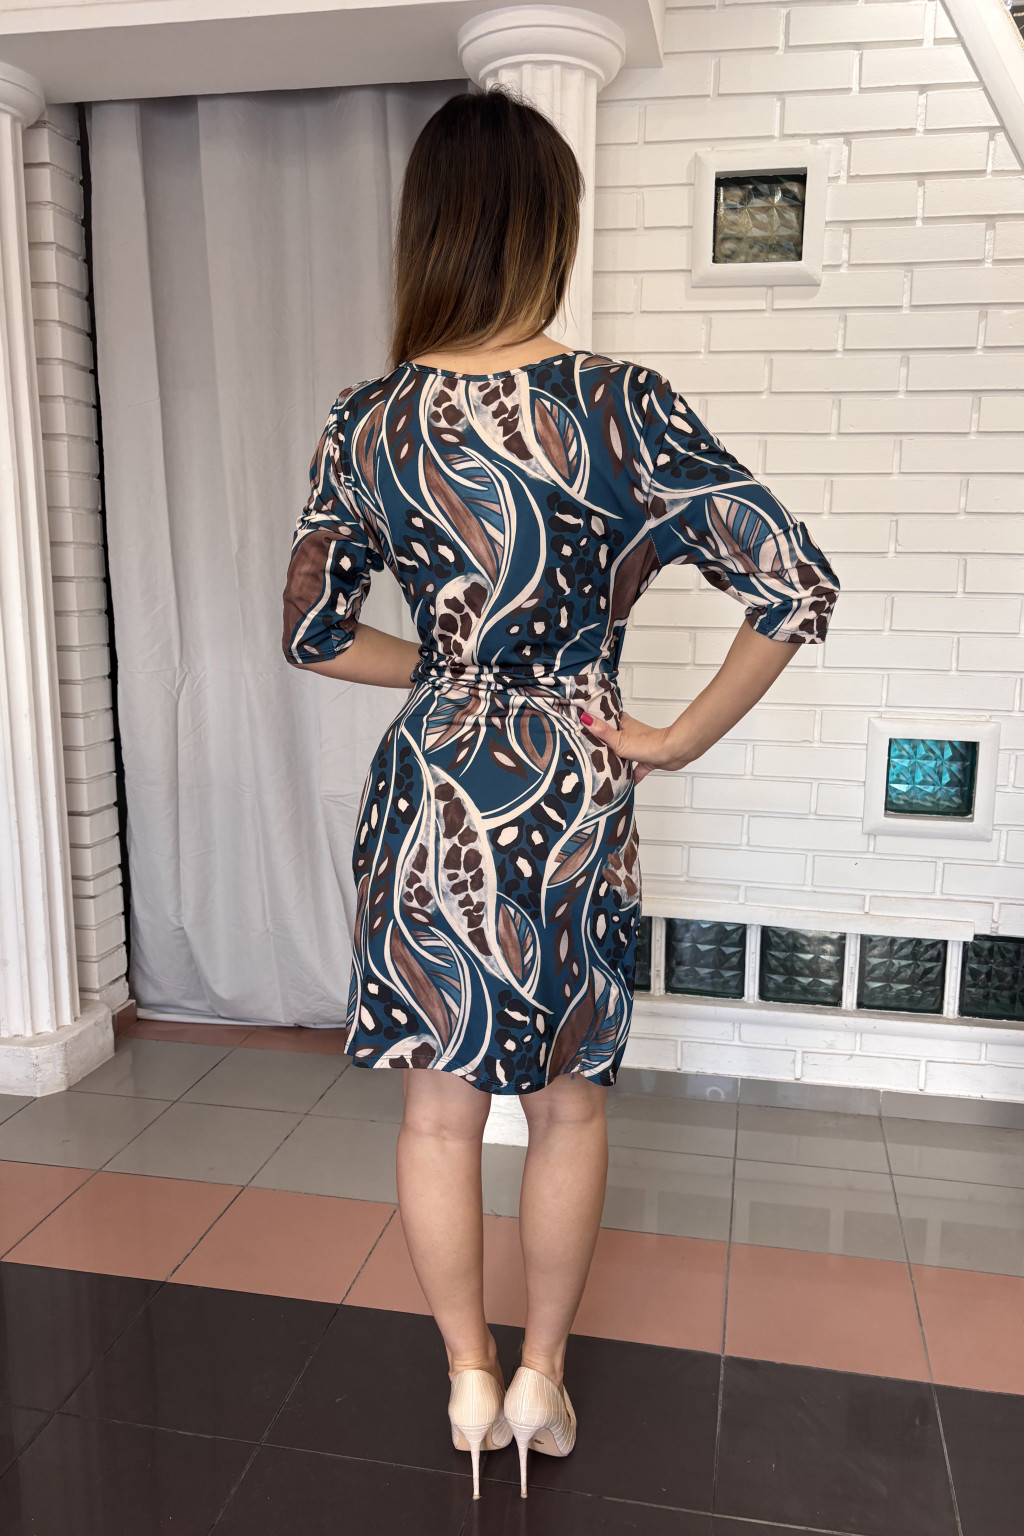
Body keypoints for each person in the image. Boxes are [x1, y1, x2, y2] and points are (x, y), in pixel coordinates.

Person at [282, 86, 839, 1501]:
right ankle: (542, 1376)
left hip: (427, 787)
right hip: (572, 790)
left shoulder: (365, 421)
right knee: (570, 1105)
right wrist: (675, 739)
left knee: (436, 1114)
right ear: (551, 231)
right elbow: (793, 582)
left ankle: (466, 1381)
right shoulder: (619, 404)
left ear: (428, 230)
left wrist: (448, 669)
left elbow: (317, 633)